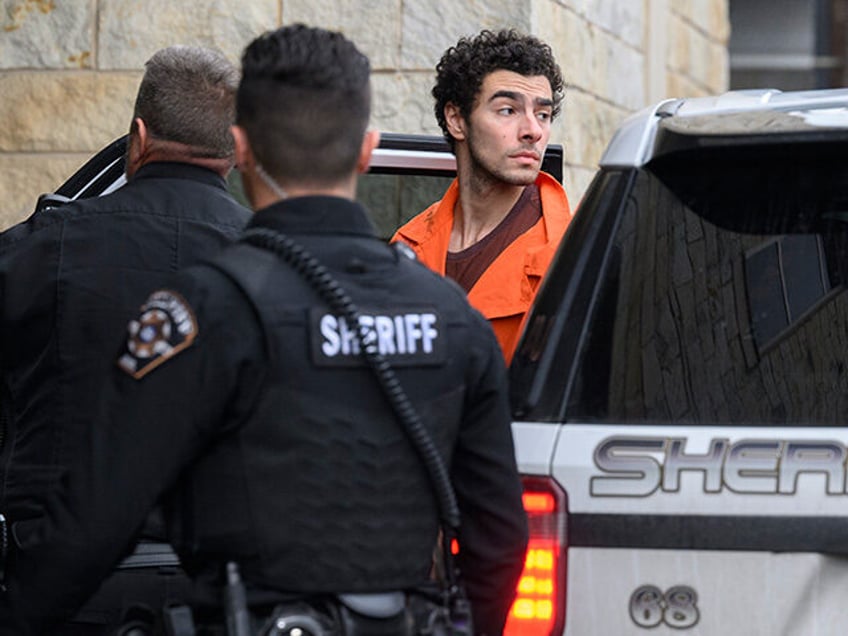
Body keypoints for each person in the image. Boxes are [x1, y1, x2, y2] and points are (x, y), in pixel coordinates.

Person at [0, 24, 529, 636]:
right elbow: (500, 538)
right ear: (366, 150)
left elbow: (92, 520)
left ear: (242, 149)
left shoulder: (204, 306)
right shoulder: (452, 315)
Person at [0, 45, 250, 632]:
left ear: (138, 137)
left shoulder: (39, 248)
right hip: (223, 594)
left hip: (55, 590)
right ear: (235, 150)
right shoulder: (277, 261)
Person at [392, 29, 572, 365]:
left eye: (543, 114)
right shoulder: (407, 247)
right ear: (457, 119)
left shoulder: (572, 255)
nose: (533, 129)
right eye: (508, 110)